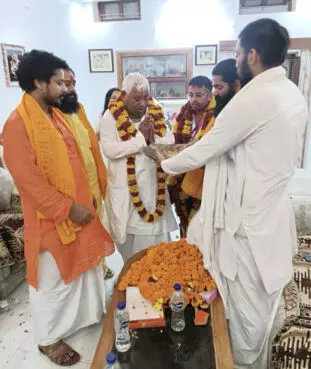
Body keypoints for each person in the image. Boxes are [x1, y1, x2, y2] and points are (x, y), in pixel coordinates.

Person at [148, 19, 308, 368]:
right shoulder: (291, 92)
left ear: (252, 55)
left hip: (248, 226)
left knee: (247, 312)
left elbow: (208, 148)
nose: (235, 60)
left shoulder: (255, 98)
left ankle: (242, 362)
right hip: (269, 213)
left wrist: (164, 164)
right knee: (256, 306)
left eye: (236, 53)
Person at [2, 50, 114, 366]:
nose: (65, 89)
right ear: (39, 82)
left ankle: (77, 321)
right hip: (51, 219)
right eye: (58, 82)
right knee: (51, 281)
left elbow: (77, 159)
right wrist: (67, 208)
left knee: (80, 272)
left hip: (78, 210)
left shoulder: (55, 116)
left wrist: (88, 197)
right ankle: (47, 339)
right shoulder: (17, 125)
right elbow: (29, 182)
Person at [100, 72, 177, 262]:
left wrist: (152, 139)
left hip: (152, 191)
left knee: (154, 251)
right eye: (136, 99)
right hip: (126, 192)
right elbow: (110, 150)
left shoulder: (155, 111)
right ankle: (132, 283)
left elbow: (169, 140)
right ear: (124, 95)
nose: (142, 104)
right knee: (129, 250)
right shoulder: (110, 117)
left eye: (145, 98)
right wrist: (141, 138)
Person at [59, 68, 114, 280]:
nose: (70, 89)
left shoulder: (78, 110)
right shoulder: (50, 117)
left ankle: (101, 268)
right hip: (73, 189)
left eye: (72, 83)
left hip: (92, 182)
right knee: (81, 235)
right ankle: (90, 274)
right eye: (64, 84)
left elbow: (91, 147)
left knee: (96, 227)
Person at [168, 76, 216, 236]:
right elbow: (175, 142)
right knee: (185, 220)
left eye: (199, 95)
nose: (193, 100)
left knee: (201, 225)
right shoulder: (184, 114)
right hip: (183, 178)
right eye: (190, 95)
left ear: (210, 95)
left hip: (205, 178)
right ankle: (185, 251)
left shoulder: (216, 115)